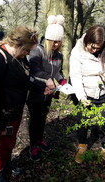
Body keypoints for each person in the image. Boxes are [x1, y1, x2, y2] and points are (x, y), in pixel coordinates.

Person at [0, 26, 38, 182]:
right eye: (27, 50)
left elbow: (25, 79)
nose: (28, 54)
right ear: (19, 45)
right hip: (3, 113)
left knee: (10, 142)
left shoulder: (19, 58)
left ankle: (6, 164)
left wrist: (43, 87)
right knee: (5, 143)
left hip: (16, 110)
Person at [69, 25, 105, 168]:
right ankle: (82, 146)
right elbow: (75, 75)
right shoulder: (77, 51)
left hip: (102, 90)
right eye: (92, 47)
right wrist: (81, 96)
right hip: (85, 90)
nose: (95, 50)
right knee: (83, 120)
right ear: (87, 40)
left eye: (98, 48)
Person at [27, 15, 67, 161]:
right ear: (48, 39)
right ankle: (33, 145)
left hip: (49, 93)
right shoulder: (37, 50)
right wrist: (47, 78)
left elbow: (58, 72)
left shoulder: (60, 56)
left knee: (42, 118)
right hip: (35, 92)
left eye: (59, 41)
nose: (56, 44)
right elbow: (34, 69)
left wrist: (62, 81)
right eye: (53, 41)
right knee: (35, 119)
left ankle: (39, 140)